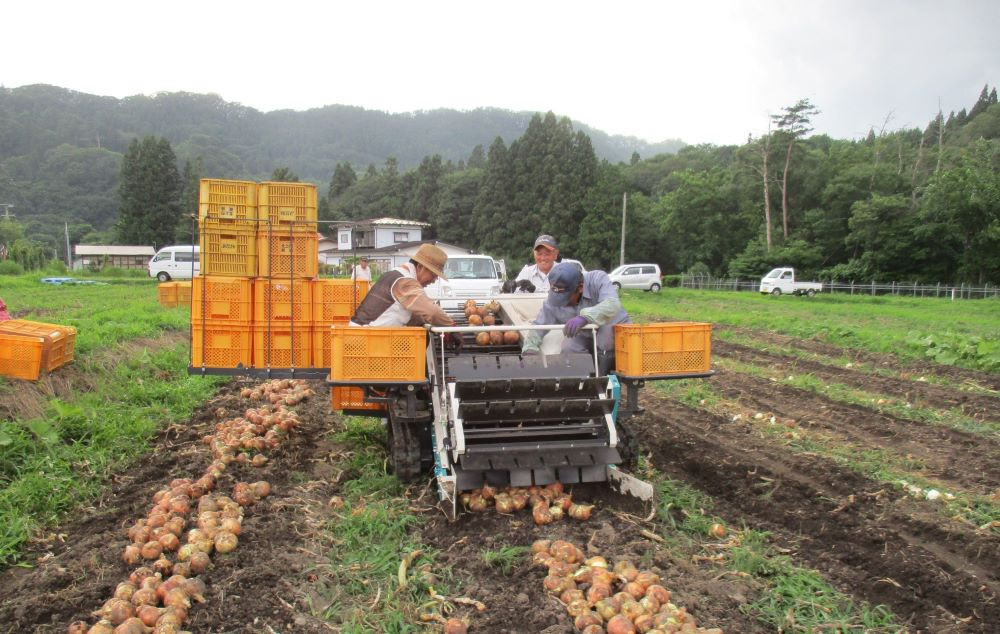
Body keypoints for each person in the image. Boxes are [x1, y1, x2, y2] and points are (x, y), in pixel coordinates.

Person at [521, 262, 630, 372]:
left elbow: (612, 304)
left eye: (565, 298)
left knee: (604, 338)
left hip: (616, 333)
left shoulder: (597, 279)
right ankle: (583, 380)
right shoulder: (552, 302)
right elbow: (539, 326)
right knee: (569, 346)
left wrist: (585, 317)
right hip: (584, 334)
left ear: (580, 288)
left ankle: (605, 377)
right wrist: (529, 352)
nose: (562, 303)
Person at [349, 244, 456, 331]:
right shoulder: (405, 281)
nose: (434, 280)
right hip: (366, 341)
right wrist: (452, 328)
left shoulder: (395, 274)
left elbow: (412, 313)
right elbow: (433, 312)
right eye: (433, 274)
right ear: (420, 267)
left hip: (362, 336)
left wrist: (424, 321)